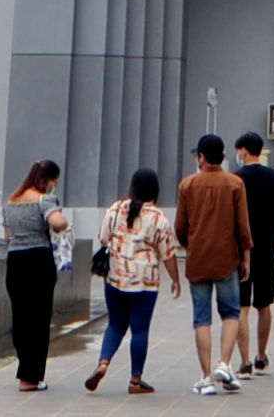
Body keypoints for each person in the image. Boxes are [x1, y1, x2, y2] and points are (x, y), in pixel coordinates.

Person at [174, 132, 253, 396]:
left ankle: (206, 377)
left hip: (198, 259)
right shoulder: (235, 184)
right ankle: (224, 364)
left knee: (201, 318)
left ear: (201, 157)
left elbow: (180, 227)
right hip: (227, 257)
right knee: (231, 313)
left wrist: (191, 246)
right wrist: (246, 256)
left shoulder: (187, 185)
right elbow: (242, 226)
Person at [88, 168, 176, 396]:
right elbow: (168, 253)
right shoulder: (158, 218)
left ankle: (103, 363)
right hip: (145, 282)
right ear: (155, 191)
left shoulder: (115, 209)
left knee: (115, 325)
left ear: (132, 187)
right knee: (140, 329)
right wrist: (175, 280)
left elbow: (103, 239)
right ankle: (135, 380)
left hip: (115, 278)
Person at [230, 133, 274, 377]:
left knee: (242, 306)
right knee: (264, 304)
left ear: (244, 151)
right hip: (267, 249)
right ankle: (261, 356)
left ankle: (244, 362)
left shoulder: (236, 179)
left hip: (241, 249)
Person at [4, 158, 71, 390]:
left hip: (15, 261)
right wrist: (62, 223)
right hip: (38, 261)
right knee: (38, 319)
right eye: (55, 182)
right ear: (48, 180)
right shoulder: (45, 200)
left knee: (21, 317)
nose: (54, 187)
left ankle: (25, 367)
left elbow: (7, 235)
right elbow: (58, 222)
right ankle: (29, 378)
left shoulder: (11, 201)